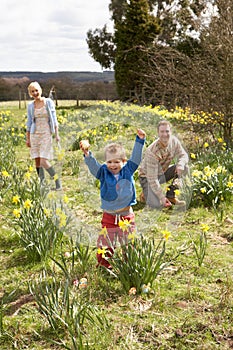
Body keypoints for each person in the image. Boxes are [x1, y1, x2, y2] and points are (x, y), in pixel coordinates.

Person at [80, 129, 146, 269]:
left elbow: (136, 158)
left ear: (124, 161)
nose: (113, 165)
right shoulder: (103, 172)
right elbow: (93, 167)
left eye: (116, 162)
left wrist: (140, 140)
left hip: (126, 215)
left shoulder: (128, 170)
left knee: (129, 242)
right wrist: (87, 154)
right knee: (106, 241)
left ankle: (130, 264)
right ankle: (104, 265)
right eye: (109, 162)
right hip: (109, 215)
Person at [139, 120, 188, 209]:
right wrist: (162, 198)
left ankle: (171, 195)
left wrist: (180, 164)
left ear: (171, 132)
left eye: (167, 131)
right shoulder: (152, 151)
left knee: (185, 167)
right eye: (162, 131)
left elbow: (183, 155)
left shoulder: (174, 141)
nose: (165, 134)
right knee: (157, 205)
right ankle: (145, 193)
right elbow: (152, 178)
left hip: (162, 173)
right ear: (158, 133)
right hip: (147, 177)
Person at [26, 81, 62, 190]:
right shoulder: (30, 106)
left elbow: (54, 120)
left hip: (46, 132)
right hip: (34, 134)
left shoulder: (48, 102)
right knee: (37, 159)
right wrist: (28, 139)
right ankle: (42, 184)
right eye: (32, 91)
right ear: (30, 93)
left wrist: (57, 134)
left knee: (43, 160)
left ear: (40, 90)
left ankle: (57, 182)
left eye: (36, 90)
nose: (35, 93)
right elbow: (29, 122)